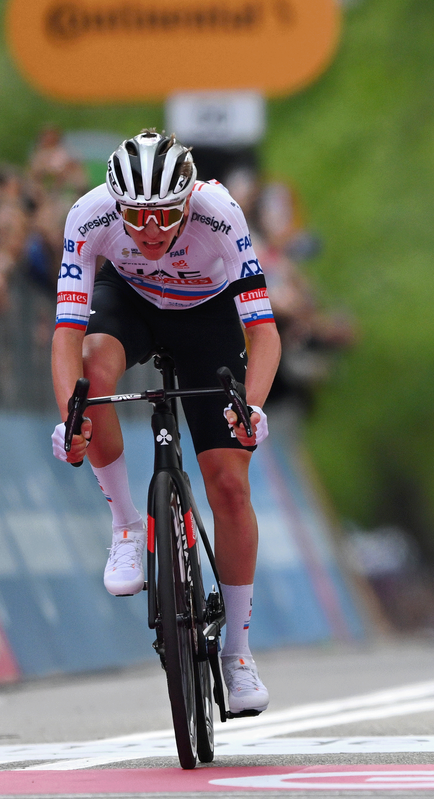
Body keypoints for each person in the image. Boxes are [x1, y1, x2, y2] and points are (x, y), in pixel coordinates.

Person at [50, 130, 281, 716]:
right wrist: (70, 417)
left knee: (229, 485)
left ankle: (237, 653)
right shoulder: (88, 215)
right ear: (115, 205)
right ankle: (127, 524)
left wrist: (251, 408)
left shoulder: (220, 213)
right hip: (128, 302)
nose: (150, 230)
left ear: (188, 201)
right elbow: (66, 334)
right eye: (136, 216)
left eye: (165, 214)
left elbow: (263, 331)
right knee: (91, 377)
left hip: (207, 316)